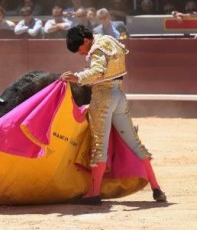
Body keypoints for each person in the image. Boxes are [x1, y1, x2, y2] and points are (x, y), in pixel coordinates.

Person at [60, 25, 167, 205]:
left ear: (86, 41)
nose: (80, 54)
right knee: (134, 143)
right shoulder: (109, 40)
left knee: (99, 145)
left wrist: (77, 77)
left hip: (103, 97)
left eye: (80, 49)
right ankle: (156, 189)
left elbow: (97, 71)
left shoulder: (97, 48)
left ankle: (93, 193)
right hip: (119, 95)